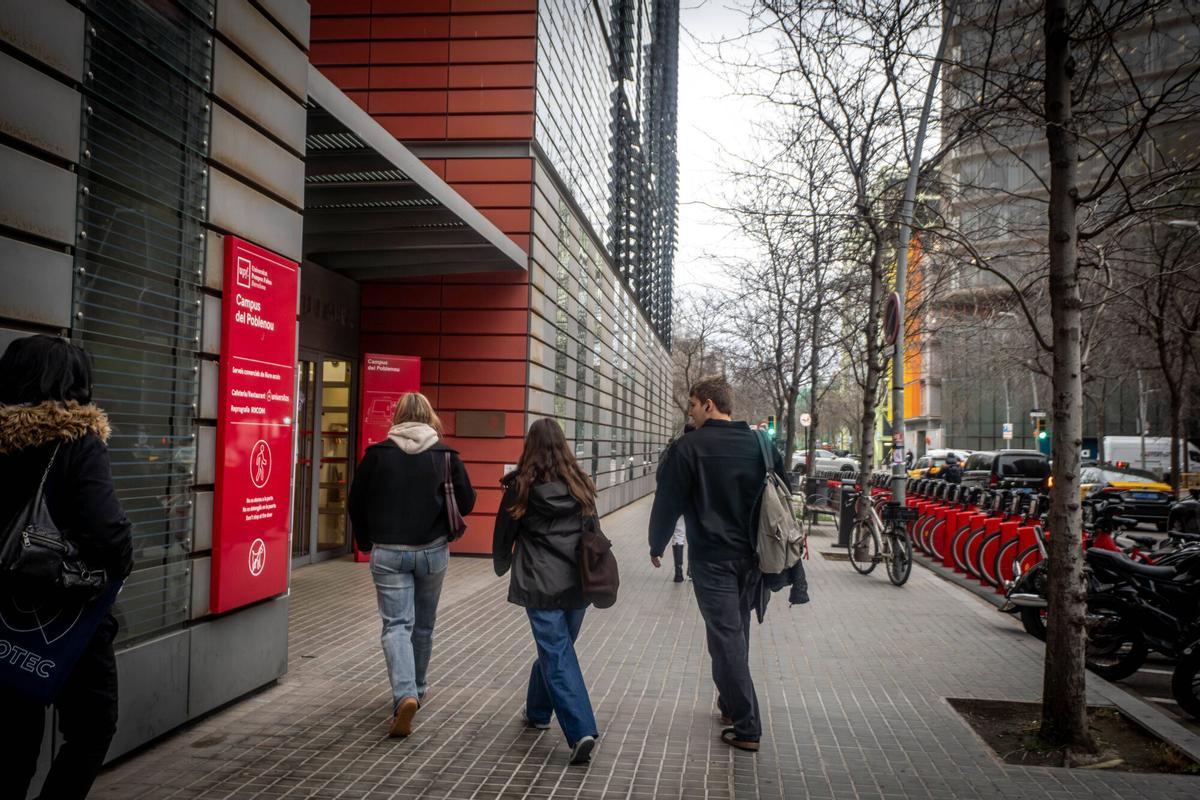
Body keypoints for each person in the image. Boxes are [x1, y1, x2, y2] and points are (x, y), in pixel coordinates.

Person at [0, 335, 134, 800]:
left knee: (11, 743)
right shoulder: (76, 441)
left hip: (2, 613)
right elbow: (108, 533)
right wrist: (121, 561)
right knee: (93, 725)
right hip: (63, 613)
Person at [648, 376, 789, 753]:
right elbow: (783, 489)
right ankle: (729, 705)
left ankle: (748, 726)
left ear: (709, 404)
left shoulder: (688, 448)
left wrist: (657, 542)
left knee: (726, 637)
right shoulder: (760, 443)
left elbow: (668, 500)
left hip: (712, 559)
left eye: (693, 405)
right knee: (733, 632)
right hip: (753, 558)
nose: (690, 413)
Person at [348, 392, 475, 738]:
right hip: (432, 552)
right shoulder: (446, 456)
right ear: (430, 417)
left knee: (396, 626)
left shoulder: (377, 455)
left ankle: (405, 695)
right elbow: (467, 501)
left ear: (398, 417)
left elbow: (356, 502)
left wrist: (365, 540)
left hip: (388, 553)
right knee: (423, 625)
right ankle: (417, 689)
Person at [492, 418, 600, 765]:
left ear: (531, 446)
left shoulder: (521, 487)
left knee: (556, 652)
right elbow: (594, 533)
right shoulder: (580, 485)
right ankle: (538, 712)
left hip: (539, 582)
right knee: (558, 650)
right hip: (577, 583)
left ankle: (580, 730)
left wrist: (501, 563)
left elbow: (504, 532)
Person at [658, 424, 695, 583]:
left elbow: (661, 474)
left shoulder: (673, 449)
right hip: (694, 501)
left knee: (678, 533)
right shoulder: (697, 449)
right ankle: (691, 570)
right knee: (692, 534)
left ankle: (678, 572)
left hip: (676, 499)